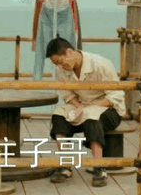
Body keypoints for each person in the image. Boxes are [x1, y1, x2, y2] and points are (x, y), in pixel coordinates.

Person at [45, 37, 125, 187]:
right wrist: (78, 107)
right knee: (59, 115)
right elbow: (67, 94)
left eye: (60, 62)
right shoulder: (62, 70)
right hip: (82, 105)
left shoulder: (100, 64)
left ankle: (99, 167)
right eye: (56, 64)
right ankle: (65, 164)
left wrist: (90, 107)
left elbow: (115, 96)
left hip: (109, 109)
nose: (60, 66)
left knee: (92, 118)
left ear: (69, 52)